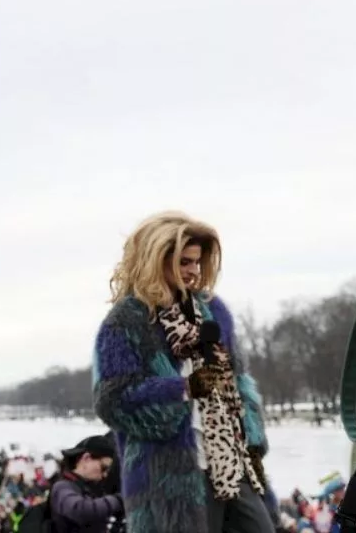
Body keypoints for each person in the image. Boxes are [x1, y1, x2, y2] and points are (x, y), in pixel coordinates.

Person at [94, 212, 276, 533]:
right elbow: (112, 400)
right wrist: (182, 388)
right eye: (184, 262)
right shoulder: (125, 322)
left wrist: (251, 437)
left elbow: (240, 379)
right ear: (155, 261)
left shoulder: (213, 310)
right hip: (171, 471)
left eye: (196, 262)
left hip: (231, 460)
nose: (193, 272)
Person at [49, 436, 123, 533]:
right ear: (86, 458)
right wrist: (118, 500)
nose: (105, 474)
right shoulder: (62, 486)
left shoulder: (86, 487)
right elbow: (80, 511)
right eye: (103, 467)